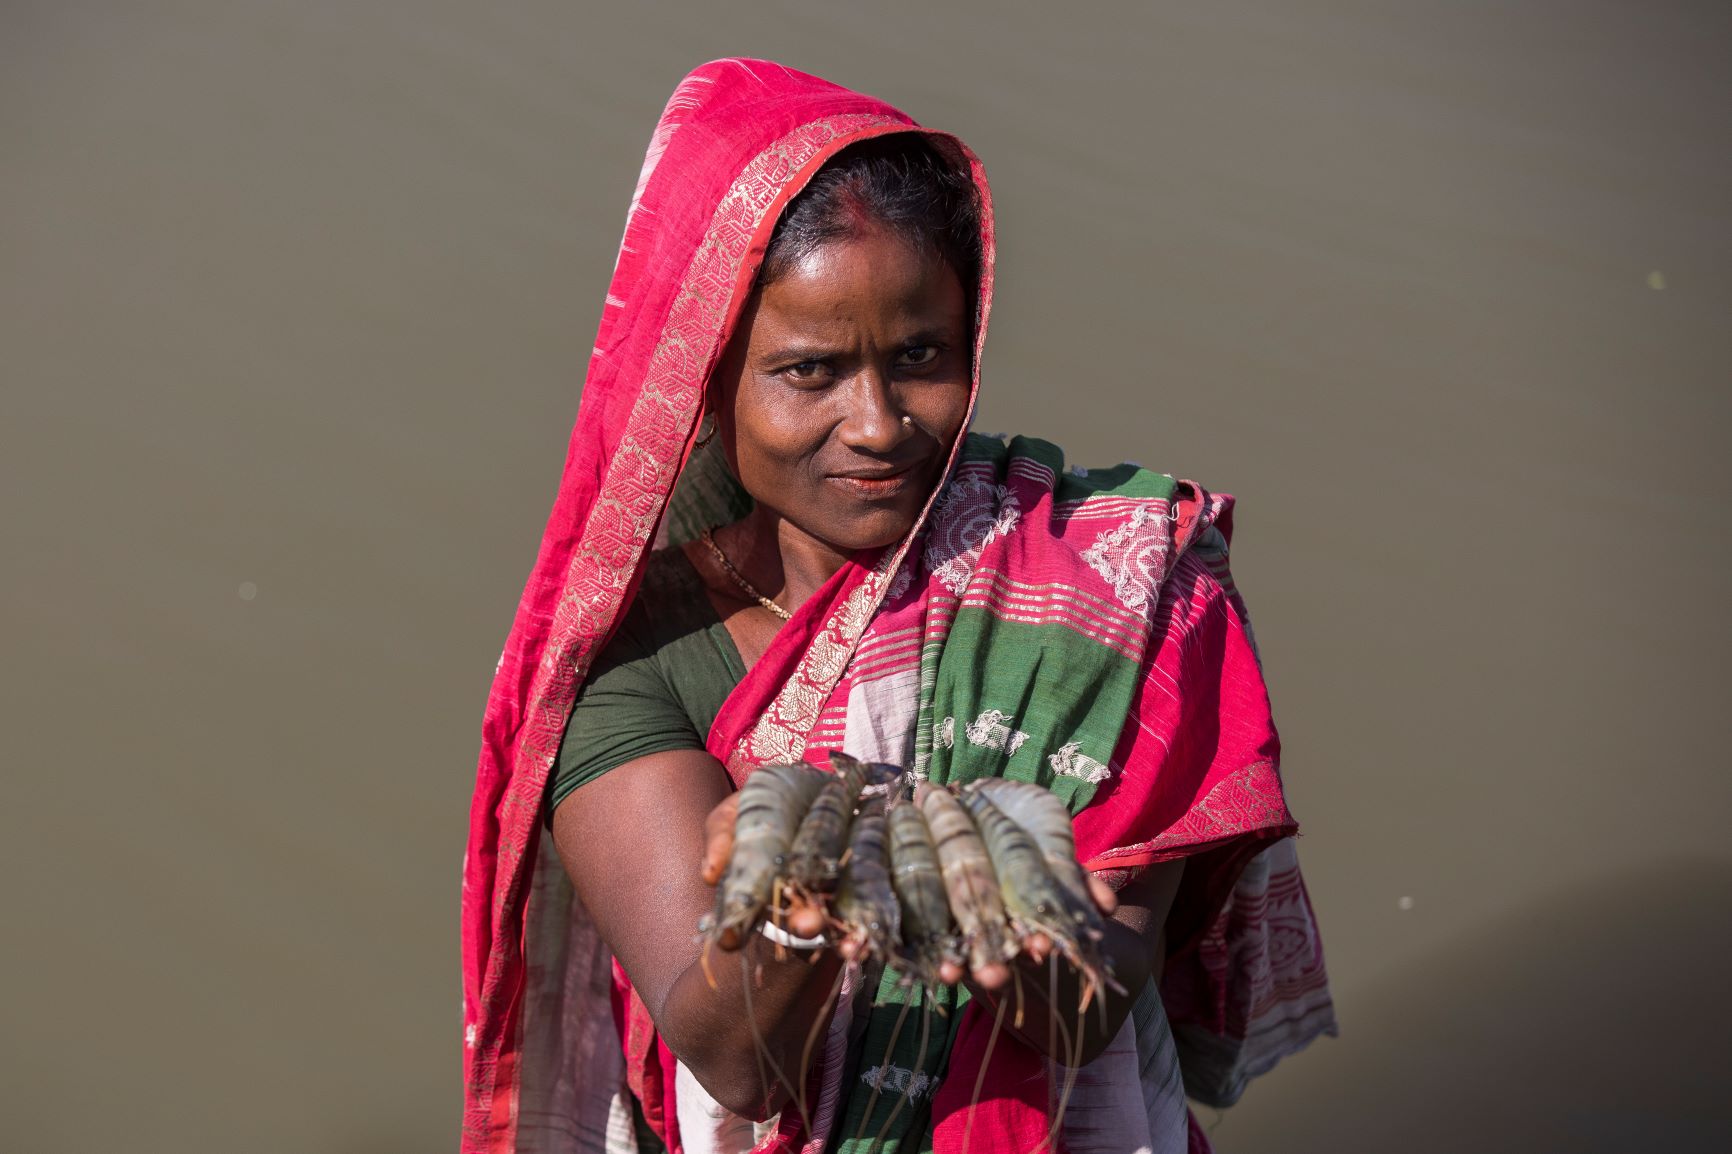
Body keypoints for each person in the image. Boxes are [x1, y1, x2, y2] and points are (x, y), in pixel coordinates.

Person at [462, 59, 1334, 1154]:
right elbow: (736, 1061)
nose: (877, 424)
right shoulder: (639, 659)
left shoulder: (1115, 579)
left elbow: (1090, 1006)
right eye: (811, 370)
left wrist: (1018, 917)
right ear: (707, 372)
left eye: (919, 355)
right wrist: (801, 903)